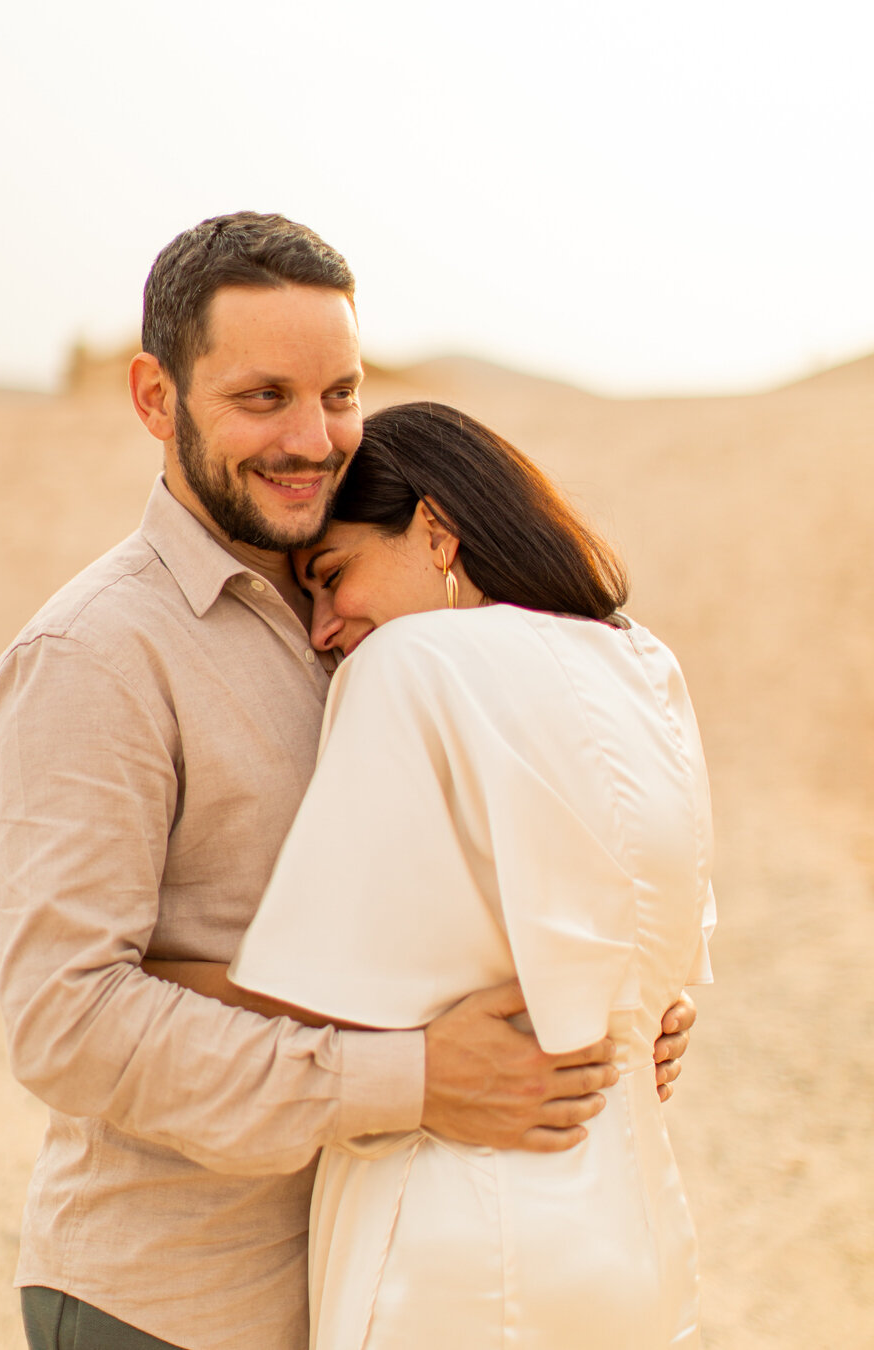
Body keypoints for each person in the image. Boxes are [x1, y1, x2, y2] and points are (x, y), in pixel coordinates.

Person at [0, 213, 695, 1350]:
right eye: (263, 397)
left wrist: (620, 1005)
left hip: (370, 1280)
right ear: (154, 399)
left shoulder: (388, 628)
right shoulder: (96, 655)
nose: (315, 439)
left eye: (340, 394)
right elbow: (65, 1023)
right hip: (167, 1302)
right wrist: (410, 1079)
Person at [155, 401, 716, 1348]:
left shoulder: (410, 665)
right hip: (632, 1227)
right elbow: (665, 973)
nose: (326, 629)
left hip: (465, 1237)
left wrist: (139, 974)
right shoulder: (641, 661)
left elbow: (322, 999)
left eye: (332, 578)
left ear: (435, 527)